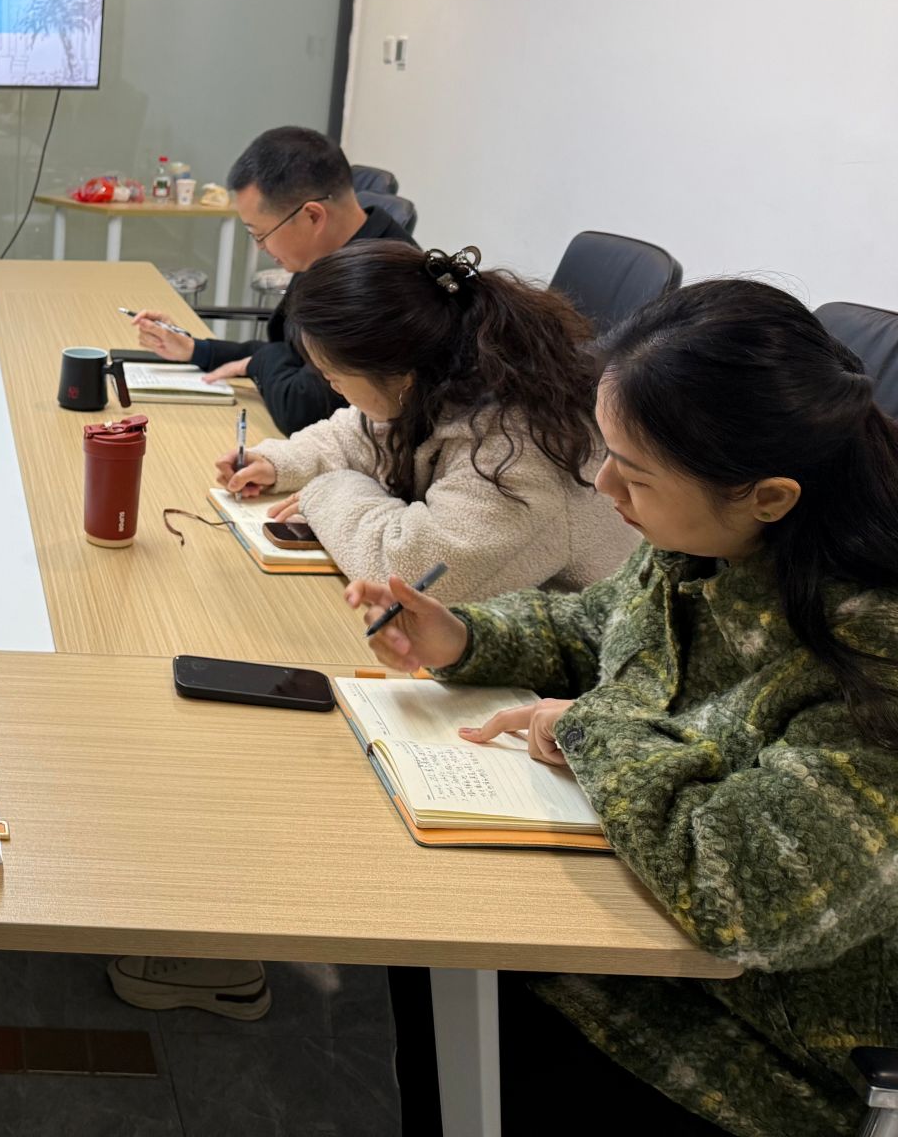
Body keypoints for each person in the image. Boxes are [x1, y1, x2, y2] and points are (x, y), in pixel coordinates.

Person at [357, 279, 898, 1137]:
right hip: (625, 927)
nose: (604, 485)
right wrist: (462, 637)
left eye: (634, 473)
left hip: (750, 1044)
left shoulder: (876, 653)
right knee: (423, 941)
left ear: (770, 495)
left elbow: (742, 895)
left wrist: (586, 727)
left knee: (443, 963)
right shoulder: (709, 545)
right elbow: (602, 628)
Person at [216, 241, 633, 604]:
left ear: (402, 378)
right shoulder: (448, 379)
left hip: (583, 659)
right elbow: (360, 432)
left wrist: (325, 492)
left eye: (333, 376)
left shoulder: (517, 447)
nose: (332, 387)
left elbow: (415, 577)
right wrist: (281, 462)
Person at [132, 125, 412, 435]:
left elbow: (302, 407)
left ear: (313, 216)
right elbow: (288, 353)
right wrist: (197, 350)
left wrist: (257, 361)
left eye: (260, 234)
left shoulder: (374, 285)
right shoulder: (328, 252)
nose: (260, 247)